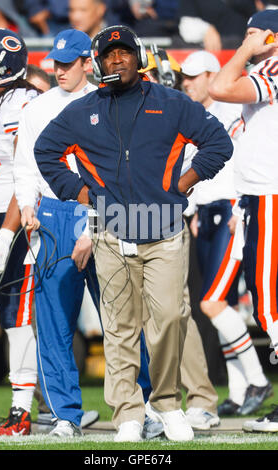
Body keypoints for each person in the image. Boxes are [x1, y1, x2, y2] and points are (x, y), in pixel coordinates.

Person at [33, 24, 233, 442]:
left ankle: (165, 403)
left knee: (168, 321)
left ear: (138, 57)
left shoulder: (173, 102)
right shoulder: (81, 110)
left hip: (163, 231)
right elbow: (45, 151)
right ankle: (127, 412)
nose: (116, 59)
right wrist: (82, 193)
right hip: (110, 233)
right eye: (108, 54)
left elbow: (218, 143)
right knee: (120, 328)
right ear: (99, 62)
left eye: (123, 52)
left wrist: (183, 182)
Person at [14, 28, 102, 437]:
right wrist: (28, 205)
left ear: (88, 62)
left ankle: (142, 407)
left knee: (121, 320)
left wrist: (98, 221)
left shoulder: (108, 100)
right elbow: (25, 166)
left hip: (103, 209)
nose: (60, 69)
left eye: (69, 62)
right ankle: (66, 414)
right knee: (52, 324)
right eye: (56, 62)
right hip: (53, 214)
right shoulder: (37, 107)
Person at [181, 49, 272, 418]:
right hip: (208, 210)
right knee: (224, 306)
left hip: (233, 208)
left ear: (211, 75)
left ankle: (257, 379)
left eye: (194, 76)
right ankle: (237, 391)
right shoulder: (201, 113)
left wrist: (238, 206)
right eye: (185, 77)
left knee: (212, 302)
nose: (187, 83)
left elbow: (246, 156)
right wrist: (194, 208)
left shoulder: (233, 106)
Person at [139, 47, 220, 432]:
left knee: (175, 313)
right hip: (125, 220)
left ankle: (199, 398)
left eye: (150, 72)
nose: (144, 78)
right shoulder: (122, 107)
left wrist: (180, 189)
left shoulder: (173, 108)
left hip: (168, 219)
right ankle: (148, 402)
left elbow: (209, 152)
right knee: (135, 318)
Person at [208, 9, 278, 432]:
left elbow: (219, 85)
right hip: (258, 197)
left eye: (254, 32)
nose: (247, 39)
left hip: (270, 194)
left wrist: (251, 48)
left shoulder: (272, 63)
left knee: (269, 304)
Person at [0, 27, 39, 436]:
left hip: (10, 219)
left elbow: (25, 174)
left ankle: (21, 411)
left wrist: (5, 233)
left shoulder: (23, 102)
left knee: (18, 317)